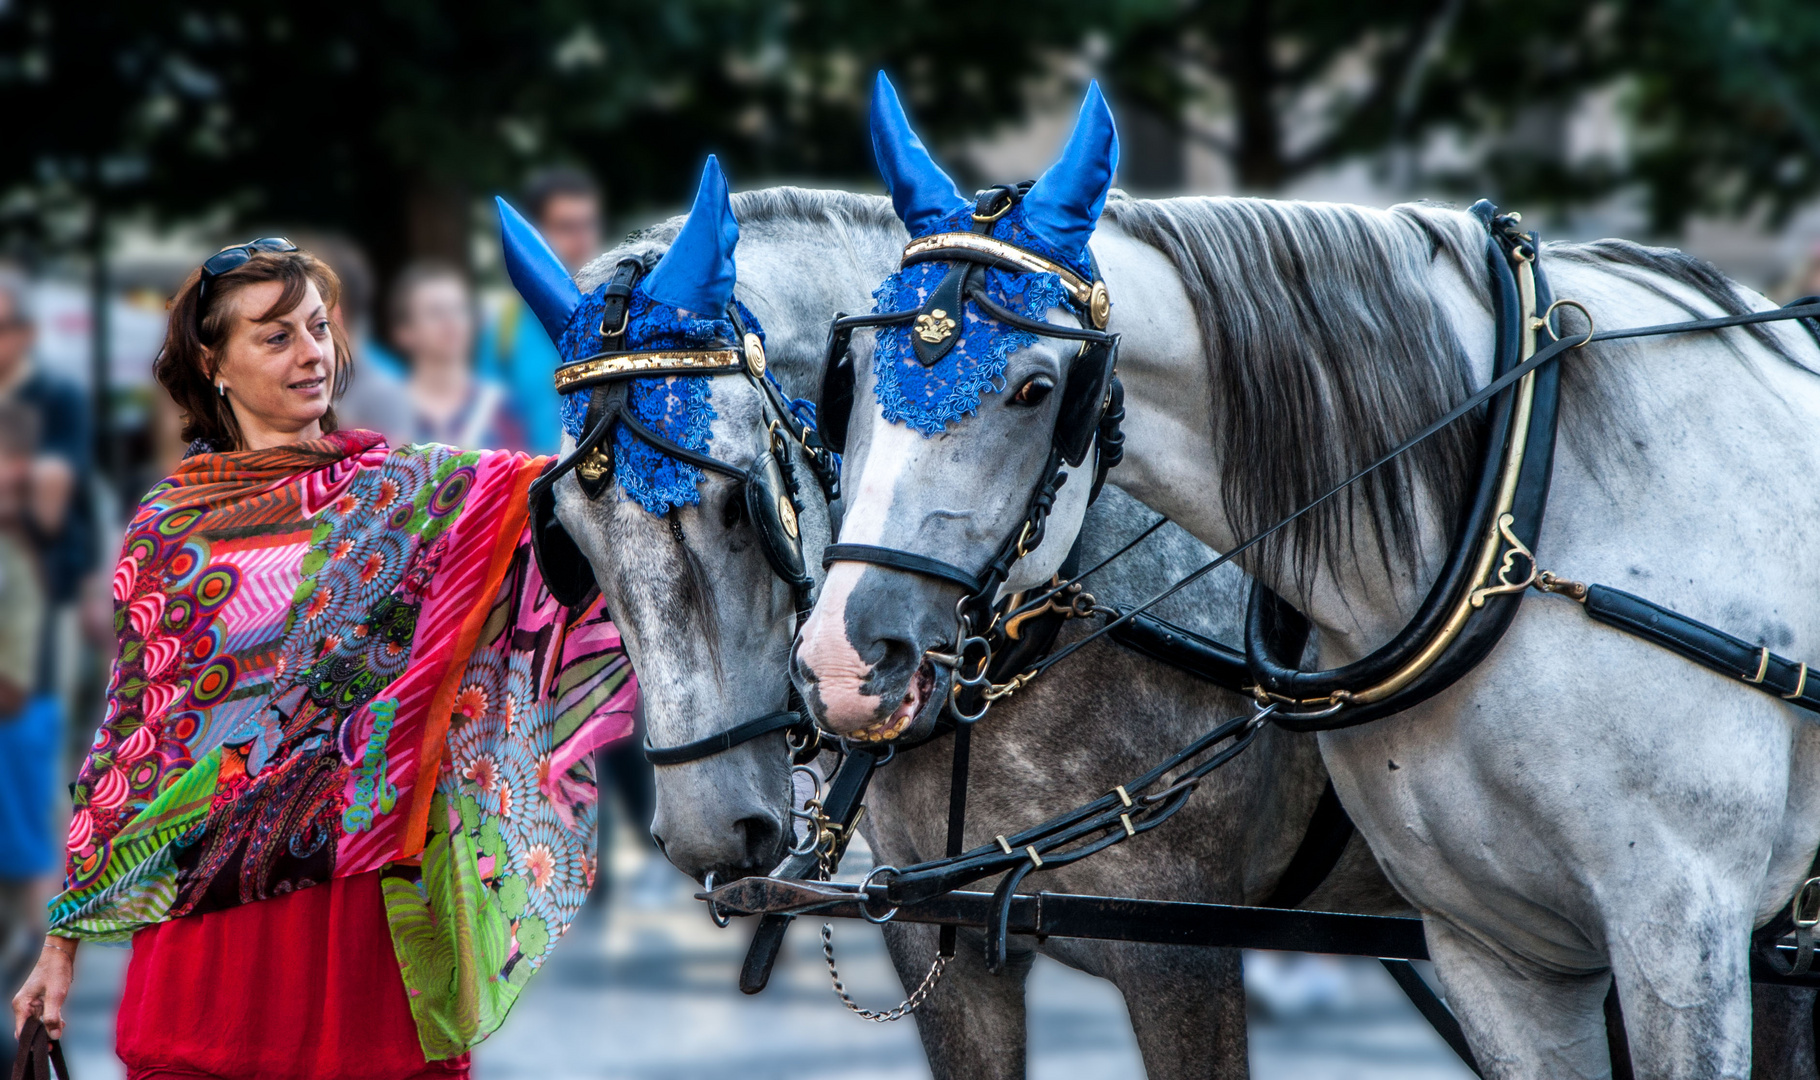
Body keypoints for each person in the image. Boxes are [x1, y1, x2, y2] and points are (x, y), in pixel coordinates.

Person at [11, 239, 636, 1080]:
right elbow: (135, 741)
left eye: (316, 327)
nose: (312, 354)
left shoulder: (418, 494)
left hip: (368, 929)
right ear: (214, 364)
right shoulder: (172, 528)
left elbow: (575, 506)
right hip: (212, 937)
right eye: (275, 337)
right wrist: (61, 943)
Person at [479, 169, 601, 455]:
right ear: (536, 234)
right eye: (567, 226)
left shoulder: (622, 316)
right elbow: (482, 426)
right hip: (531, 487)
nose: (582, 239)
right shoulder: (502, 330)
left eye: (589, 224)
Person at [393, 264, 522, 451]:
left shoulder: (502, 408)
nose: (450, 321)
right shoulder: (386, 409)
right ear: (404, 332)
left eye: (459, 309)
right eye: (435, 312)